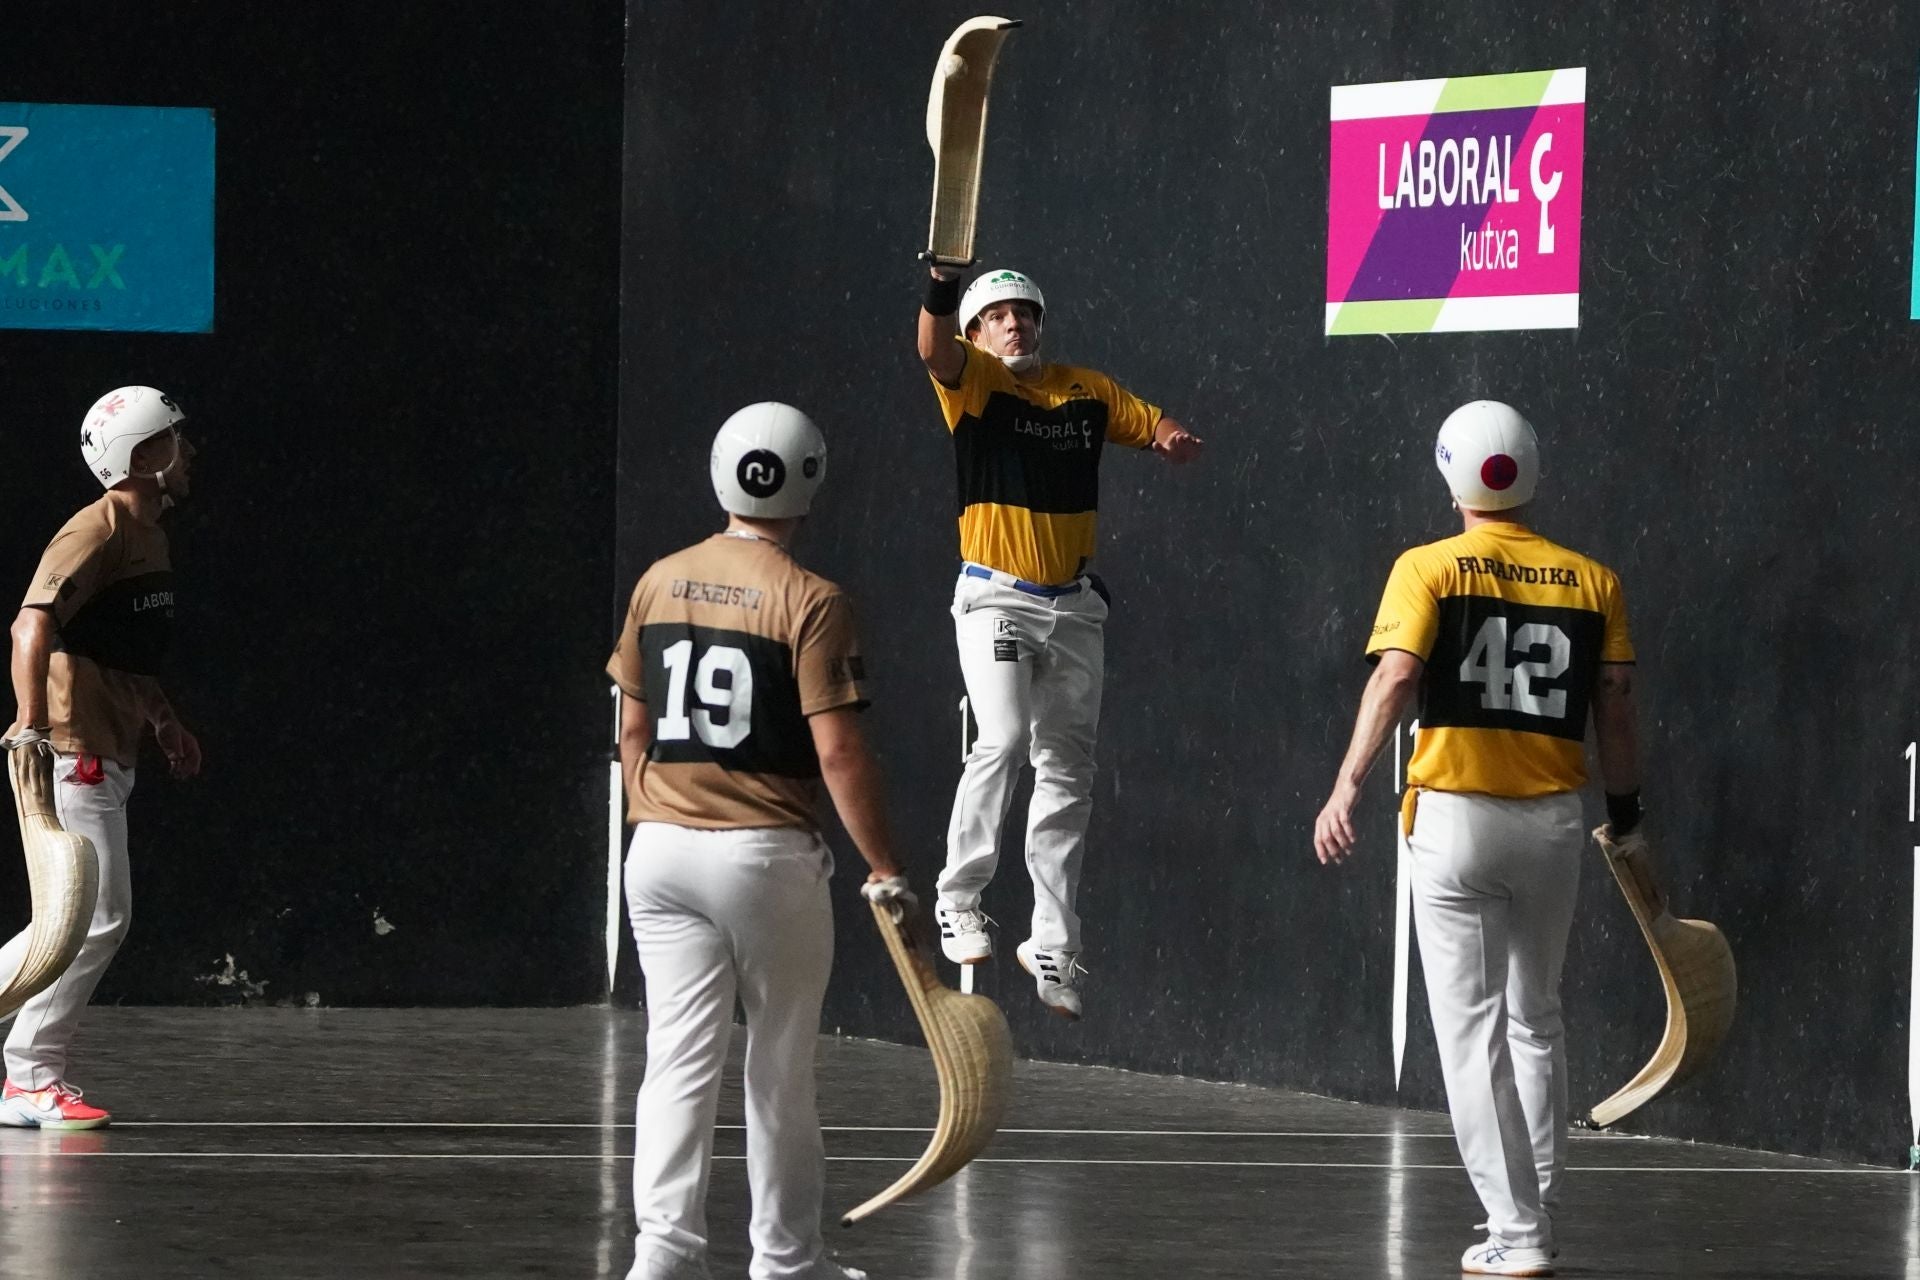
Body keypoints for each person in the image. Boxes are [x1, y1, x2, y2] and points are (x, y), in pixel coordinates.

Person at [1312, 400, 1641, 1278]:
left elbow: (1397, 676)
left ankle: (1517, 1228)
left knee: (1471, 1034)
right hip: (1555, 826)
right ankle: (1535, 1201)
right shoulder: (1593, 579)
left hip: (1455, 821)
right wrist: (1631, 812)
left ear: (1452, 475)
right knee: (1536, 1016)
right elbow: (1615, 703)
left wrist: (1346, 783)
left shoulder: (1428, 567)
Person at [607, 402, 908, 1280]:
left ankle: (661, 1258)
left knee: (677, 1059)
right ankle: (785, 1262)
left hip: (657, 854)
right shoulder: (814, 601)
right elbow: (839, 751)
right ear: (809, 481)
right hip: (765, 857)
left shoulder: (660, 579)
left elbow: (631, 723)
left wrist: (655, 810)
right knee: (778, 1070)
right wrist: (886, 865)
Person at [916, 265, 1202, 1019]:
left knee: (1067, 769)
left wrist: (1172, 438)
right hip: (996, 598)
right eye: (998, 317)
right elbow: (931, 350)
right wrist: (943, 290)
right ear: (976, 334)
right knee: (1004, 739)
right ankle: (960, 897)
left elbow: (1152, 422)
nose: (1015, 326)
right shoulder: (973, 383)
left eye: (1025, 314)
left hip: (1073, 608)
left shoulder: (1087, 390)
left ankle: (1053, 943)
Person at [1, 386, 203, 1131]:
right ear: (145, 456)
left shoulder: (150, 534)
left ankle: (28, 1074)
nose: (193, 453)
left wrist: (165, 722)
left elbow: (123, 653)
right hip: (75, 747)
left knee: (77, 918)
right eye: (178, 440)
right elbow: (30, 627)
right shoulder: (96, 530)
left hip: (115, 745)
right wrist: (28, 726)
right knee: (94, 918)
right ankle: (29, 1077)